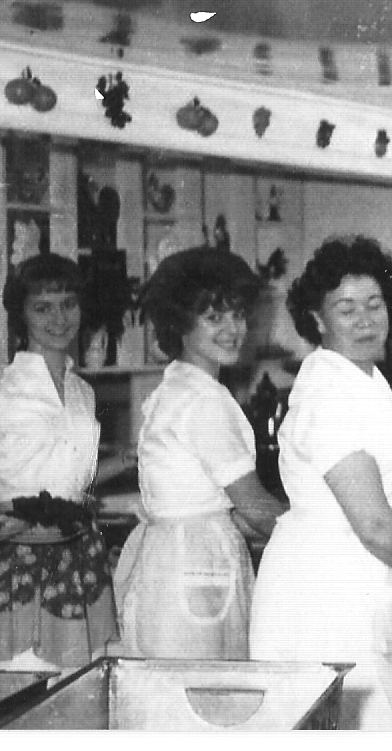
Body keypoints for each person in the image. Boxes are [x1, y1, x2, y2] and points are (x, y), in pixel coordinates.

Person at [249, 236, 392, 730]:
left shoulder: (362, 379)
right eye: (345, 309)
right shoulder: (329, 388)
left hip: (354, 579)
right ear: (318, 319)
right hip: (327, 591)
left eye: (375, 304)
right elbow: (372, 522)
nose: (366, 319)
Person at [113, 247, 286, 660]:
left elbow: (228, 510)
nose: (233, 329)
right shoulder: (202, 401)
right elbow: (255, 507)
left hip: (177, 560)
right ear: (180, 325)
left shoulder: (179, 388)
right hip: (193, 568)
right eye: (214, 317)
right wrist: (319, 540)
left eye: (238, 314)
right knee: (203, 703)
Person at [0, 253, 119, 669]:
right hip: (14, 565)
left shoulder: (83, 393)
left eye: (68, 304)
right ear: (20, 315)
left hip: (81, 560)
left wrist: (130, 461)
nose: (58, 318)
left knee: (83, 684)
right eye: (42, 307)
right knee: (20, 685)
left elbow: (69, 481)